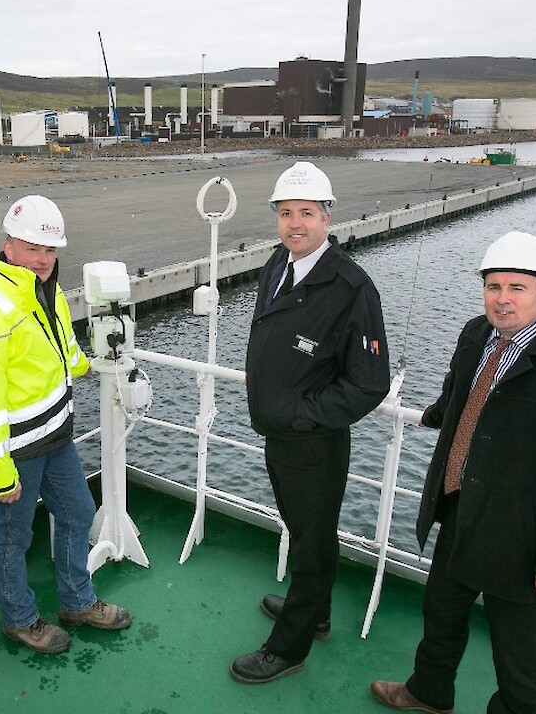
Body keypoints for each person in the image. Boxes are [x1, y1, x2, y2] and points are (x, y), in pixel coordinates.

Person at [370, 231, 536, 714]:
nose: (502, 300)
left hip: (524, 542)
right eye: (493, 287)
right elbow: (461, 393)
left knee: (520, 659)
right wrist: (435, 413)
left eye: (517, 288)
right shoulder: (476, 335)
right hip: (462, 512)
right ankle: (428, 693)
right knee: (441, 616)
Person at [0, 194, 131, 655]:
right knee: (14, 535)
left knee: (77, 513)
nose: (43, 260)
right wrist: (0, 474)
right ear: (9, 245)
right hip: (16, 450)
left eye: (50, 251)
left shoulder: (43, 293)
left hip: (56, 435)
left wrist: (84, 366)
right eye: (34, 249)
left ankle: (76, 602)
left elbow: (60, 345)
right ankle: (20, 619)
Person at [233, 161, 391, 683]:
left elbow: (369, 383)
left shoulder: (351, 288)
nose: (294, 224)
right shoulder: (278, 263)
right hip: (279, 434)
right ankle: (315, 612)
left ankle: (290, 648)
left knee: (312, 541)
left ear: (328, 217)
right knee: (305, 531)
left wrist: (302, 416)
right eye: (285, 213)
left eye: (305, 213)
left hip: (313, 443)